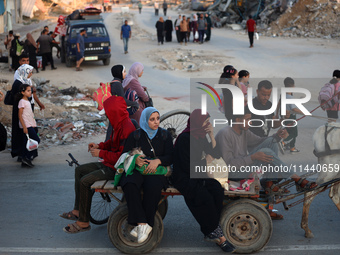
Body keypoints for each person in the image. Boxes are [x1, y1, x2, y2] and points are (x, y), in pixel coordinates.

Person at [215, 107, 317, 219]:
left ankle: (270, 183)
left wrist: (277, 136)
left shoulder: (244, 131)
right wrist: (253, 157)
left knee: (272, 142)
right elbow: (229, 165)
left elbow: (261, 140)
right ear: (238, 120)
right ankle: (296, 179)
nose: (251, 122)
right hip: (233, 173)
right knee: (265, 152)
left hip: (244, 166)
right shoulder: (225, 134)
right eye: (248, 119)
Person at [60, 96, 136, 233]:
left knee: (85, 181)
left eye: (107, 112)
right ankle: (78, 210)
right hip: (109, 163)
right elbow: (111, 144)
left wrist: (100, 153)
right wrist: (99, 146)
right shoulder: (117, 124)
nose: (106, 115)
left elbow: (122, 158)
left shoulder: (127, 128)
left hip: (117, 169)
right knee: (80, 171)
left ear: (113, 112)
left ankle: (83, 222)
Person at [172, 109, 235, 252]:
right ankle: (220, 238)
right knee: (203, 197)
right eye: (206, 122)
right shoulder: (184, 139)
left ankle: (212, 228)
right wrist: (205, 162)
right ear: (198, 123)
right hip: (184, 176)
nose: (208, 124)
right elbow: (186, 166)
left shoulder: (200, 136)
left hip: (199, 173)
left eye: (208, 122)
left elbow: (215, 154)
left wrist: (211, 135)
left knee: (217, 190)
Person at [120, 107, 173, 243]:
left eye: (158, 118)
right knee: (129, 183)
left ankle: (145, 223)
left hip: (156, 172)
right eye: (152, 119)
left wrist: (158, 161)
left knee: (153, 187)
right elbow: (125, 154)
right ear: (144, 120)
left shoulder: (165, 135)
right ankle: (143, 223)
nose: (156, 122)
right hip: (138, 170)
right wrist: (135, 159)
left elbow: (171, 157)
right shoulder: (136, 135)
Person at [105, 65, 139, 141]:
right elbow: (123, 101)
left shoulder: (114, 83)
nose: (126, 74)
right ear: (119, 73)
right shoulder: (117, 84)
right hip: (116, 112)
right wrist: (135, 104)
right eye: (124, 71)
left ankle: (108, 145)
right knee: (113, 130)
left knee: (112, 129)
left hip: (113, 111)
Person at [10, 64, 34, 161]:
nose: (31, 74)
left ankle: (24, 153)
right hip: (21, 113)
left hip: (24, 113)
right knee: (21, 133)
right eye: (30, 72)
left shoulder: (24, 81)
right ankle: (21, 154)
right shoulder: (18, 84)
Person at [17, 84, 40, 168]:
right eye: (28, 91)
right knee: (36, 140)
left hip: (30, 125)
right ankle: (27, 157)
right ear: (23, 92)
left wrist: (33, 124)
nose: (30, 92)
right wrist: (24, 127)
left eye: (30, 91)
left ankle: (24, 159)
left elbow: (29, 114)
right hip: (26, 125)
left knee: (26, 142)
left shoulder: (27, 101)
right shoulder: (22, 102)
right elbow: (20, 115)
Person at [280, 77, 304, 153]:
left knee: (290, 132)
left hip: (285, 116)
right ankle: (283, 142)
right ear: (292, 86)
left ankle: (292, 147)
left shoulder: (283, 95)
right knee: (294, 133)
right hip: (291, 117)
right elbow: (293, 109)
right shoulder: (289, 97)